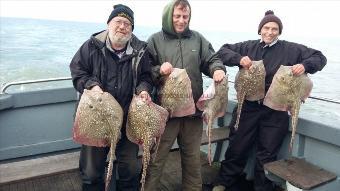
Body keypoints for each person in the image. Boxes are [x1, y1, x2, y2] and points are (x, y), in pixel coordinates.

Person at [212, 10, 327, 191]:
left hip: (276, 108)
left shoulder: (291, 49)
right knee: (238, 145)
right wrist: (239, 59)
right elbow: (222, 51)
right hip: (248, 105)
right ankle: (225, 182)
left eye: (275, 29)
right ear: (260, 30)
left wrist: (304, 65)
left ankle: (262, 187)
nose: (270, 32)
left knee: (267, 152)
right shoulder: (248, 47)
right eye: (266, 28)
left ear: (279, 32)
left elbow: (320, 57)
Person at [69, 4, 153, 191]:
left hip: (128, 119)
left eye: (127, 24)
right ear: (109, 24)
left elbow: (147, 77)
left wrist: (144, 89)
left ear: (132, 29)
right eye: (118, 22)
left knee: (130, 170)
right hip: (96, 117)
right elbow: (77, 71)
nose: (122, 27)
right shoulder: (91, 46)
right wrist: (92, 85)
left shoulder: (141, 50)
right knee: (91, 173)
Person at [144, 0, 226, 190]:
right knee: (156, 159)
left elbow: (211, 59)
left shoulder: (197, 39)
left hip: (192, 114)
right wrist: (158, 70)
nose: (181, 21)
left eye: (185, 17)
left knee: (192, 159)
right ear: (169, 16)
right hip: (166, 114)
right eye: (177, 16)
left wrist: (217, 69)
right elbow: (145, 71)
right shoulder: (155, 40)